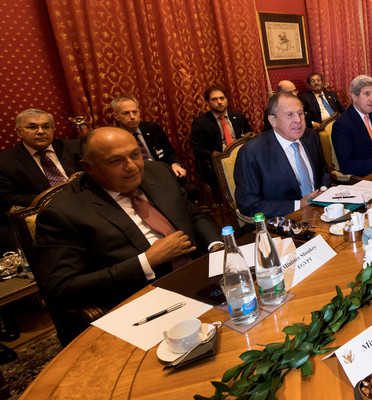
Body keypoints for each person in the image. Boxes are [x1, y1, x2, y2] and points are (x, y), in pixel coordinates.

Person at [34, 127, 222, 345]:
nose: (132, 166)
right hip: (142, 302)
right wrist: (146, 261)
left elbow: (194, 215)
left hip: (201, 278)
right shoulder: (63, 212)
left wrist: (217, 246)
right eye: (115, 161)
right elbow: (62, 289)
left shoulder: (158, 173)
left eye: (135, 154)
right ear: (88, 167)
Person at [234, 92, 331, 218]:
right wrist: (299, 205)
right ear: (273, 120)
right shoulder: (252, 152)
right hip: (282, 220)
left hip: (322, 212)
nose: (298, 120)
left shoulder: (310, 136)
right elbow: (248, 205)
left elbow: (323, 171)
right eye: (289, 115)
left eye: (300, 113)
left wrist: (322, 191)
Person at [0, 109, 81, 211]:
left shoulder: (75, 147)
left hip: (84, 201)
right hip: (47, 211)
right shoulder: (5, 162)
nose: (40, 132)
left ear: (53, 129)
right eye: (32, 127)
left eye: (46, 127)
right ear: (19, 132)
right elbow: (8, 197)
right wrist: (51, 200)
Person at [190, 85, 252, 191]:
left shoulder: (239, 117)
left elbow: (249, 136)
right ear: (207, 103)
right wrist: (215, 155)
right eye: (214, 99)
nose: (219, 102)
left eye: (222, 98)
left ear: (226, 99)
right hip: (218, 163)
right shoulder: (200, 122)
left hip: (242, 159)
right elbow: (197, 148)